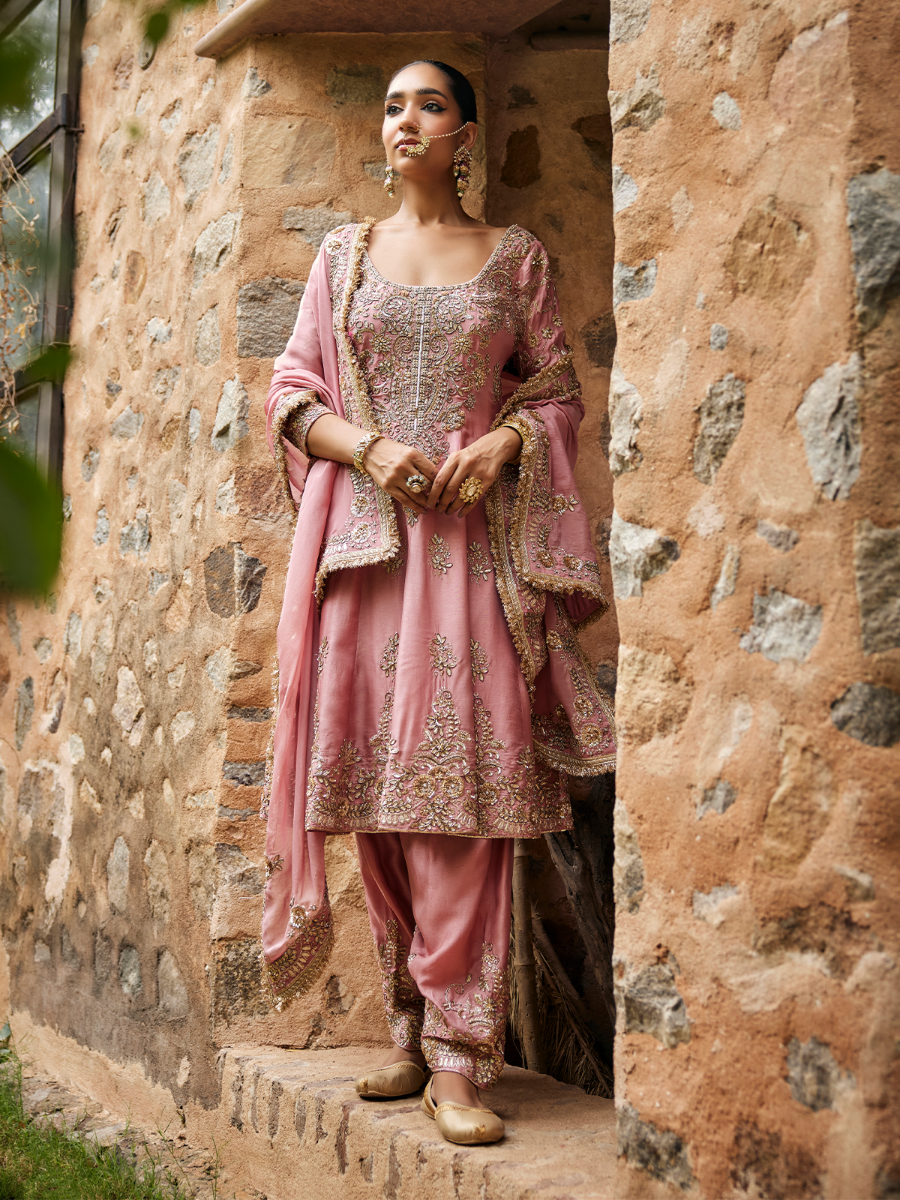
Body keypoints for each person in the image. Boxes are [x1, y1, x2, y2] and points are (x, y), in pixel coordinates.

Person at [260, 59, 615, 1146]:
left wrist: (506, 440)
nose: (404, 119)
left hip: (472, 560)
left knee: (457, 796)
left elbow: (556, 386)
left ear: (467, 134)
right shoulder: (343, 257)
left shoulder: (515, 260)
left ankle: (465, 1058)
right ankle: (409, 1029)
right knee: (375, 794)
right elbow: (290, 393)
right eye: (391, 104)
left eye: (429, 104)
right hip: (365, 556)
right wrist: (366, 448)